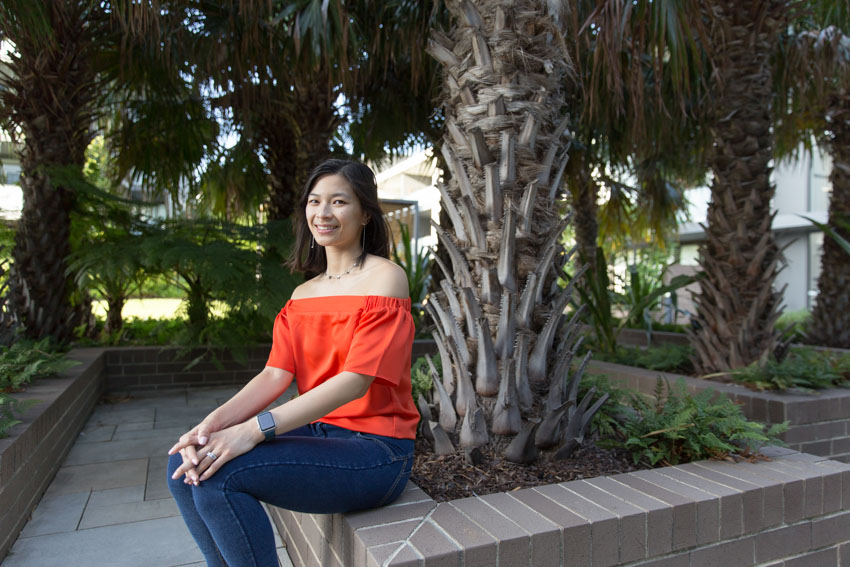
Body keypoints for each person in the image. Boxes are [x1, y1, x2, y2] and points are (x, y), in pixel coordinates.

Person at [166, 159, 419, 567]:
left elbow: (355, 381)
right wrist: (211, 425)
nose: (323, 213)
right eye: (315, 201)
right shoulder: (302, 295)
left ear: (365, 214)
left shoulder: (385, 278)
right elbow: (274, 375)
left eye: (339, 201)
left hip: (376, 450)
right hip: (321, 434)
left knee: (221, 478)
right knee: (184, 464)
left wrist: (255, 430)